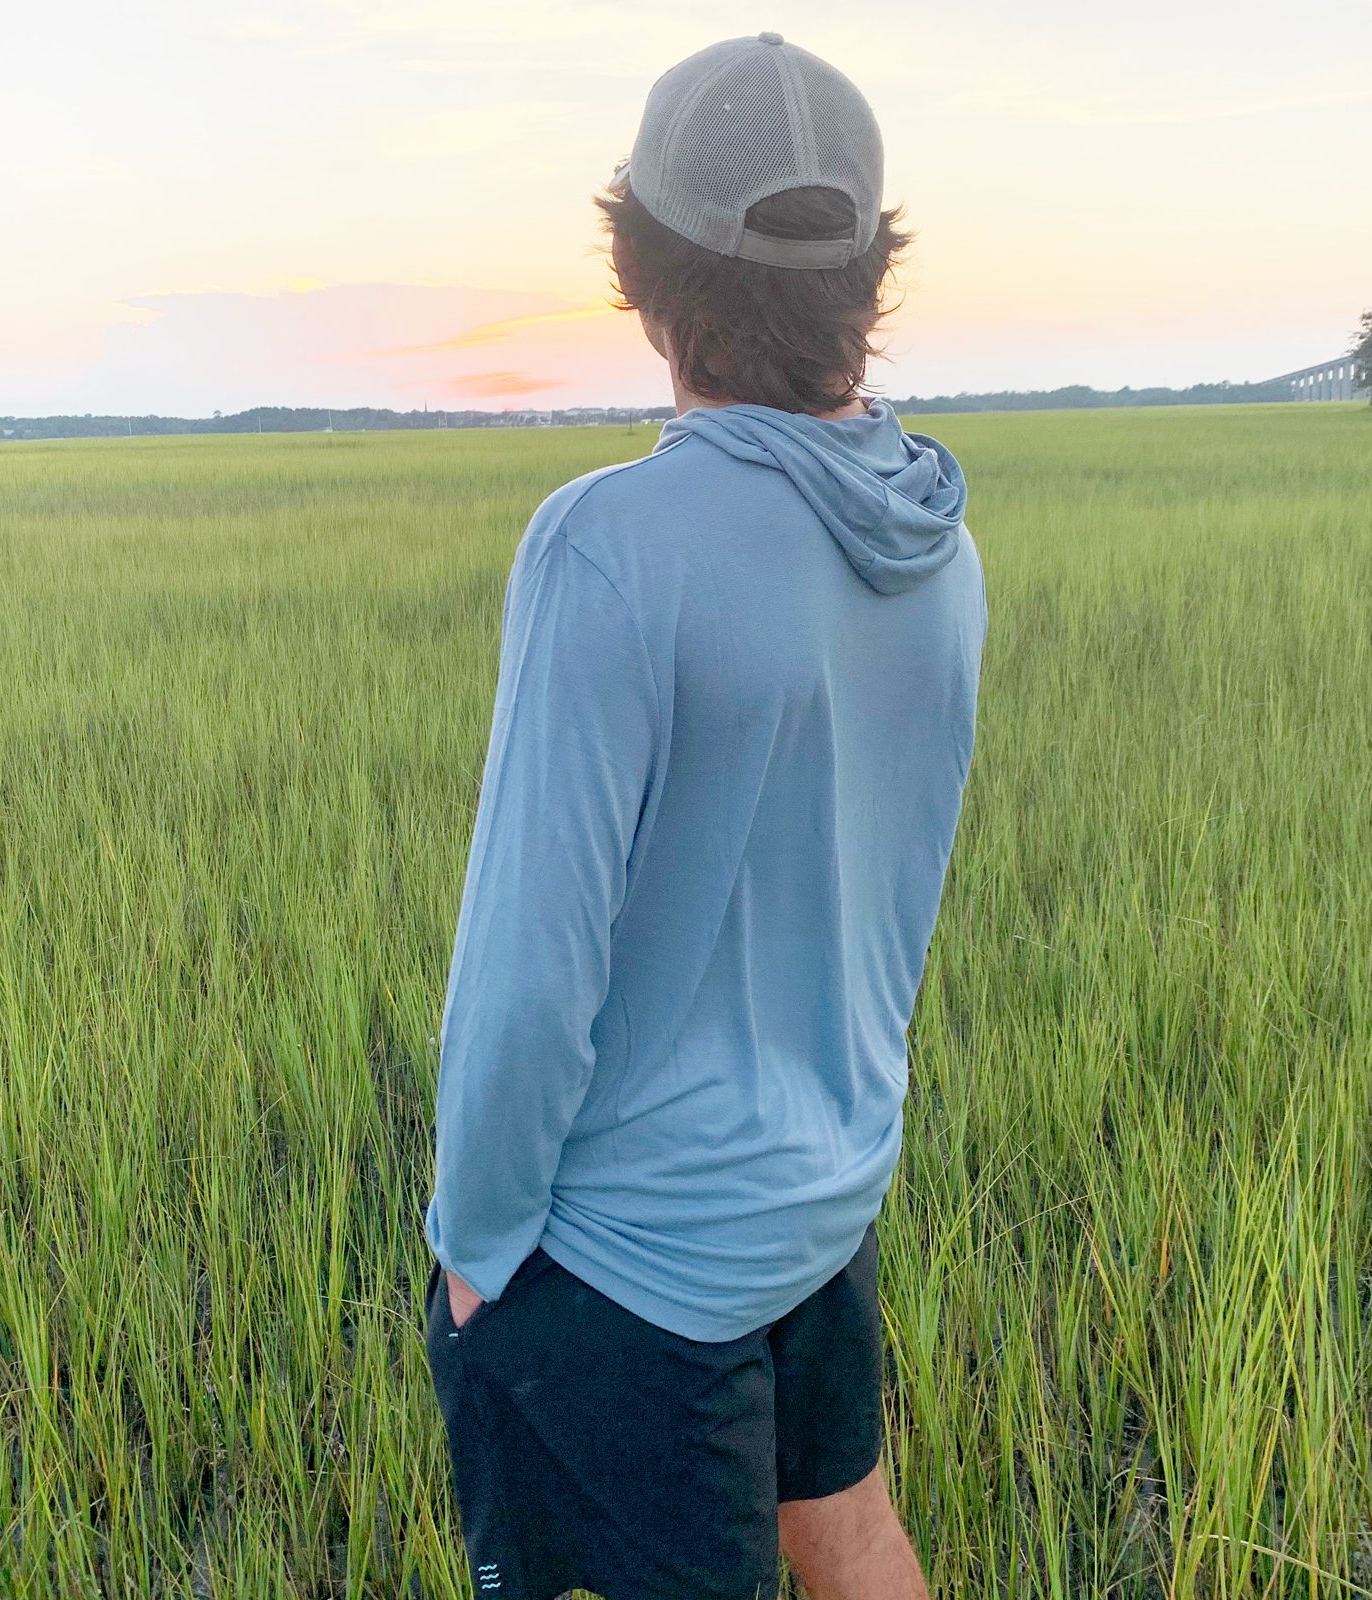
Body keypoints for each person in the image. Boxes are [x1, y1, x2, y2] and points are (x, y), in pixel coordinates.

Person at [422, 32, 987, 1600]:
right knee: (852, 1535)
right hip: (823, 1192)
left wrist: (476, 1246)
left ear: (639, 271)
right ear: (868, 278)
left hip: (625, 1257)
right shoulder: (935, 544)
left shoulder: (609, 545)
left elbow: (528, 969)